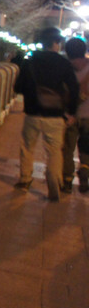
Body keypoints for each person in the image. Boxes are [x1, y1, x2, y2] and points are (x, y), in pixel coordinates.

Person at [14, 27, 80, 200]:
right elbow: (74, 89)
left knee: (27, 146)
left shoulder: (30, 61)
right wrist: (71, 112)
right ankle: (53, 182)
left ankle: (25, 179)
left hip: (32, 113)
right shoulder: (64, 63)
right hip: (55, 115)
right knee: (54, 151)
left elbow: (18, 87)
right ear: (57, 43)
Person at [61, 36, 89, 192]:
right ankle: (84, 172)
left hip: (70, 115)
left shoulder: (66, 69)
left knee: (67, 149)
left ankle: (67, 180)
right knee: (86, 148)